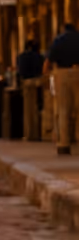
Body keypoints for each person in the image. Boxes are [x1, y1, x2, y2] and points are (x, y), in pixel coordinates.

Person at [47, 22, 79, 154]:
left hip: (62, 73)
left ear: (63, 29)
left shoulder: (58, 40)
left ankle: (64, 144)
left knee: (63, 109)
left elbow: (49, 60)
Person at [18, 40, 46, 141]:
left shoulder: (22, 57)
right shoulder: (39, 57)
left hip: (27, 83)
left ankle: (29, 134)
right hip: (38, 82)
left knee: (28, 110)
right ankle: (39, 133)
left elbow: (20, 71)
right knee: (38, 108)